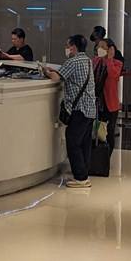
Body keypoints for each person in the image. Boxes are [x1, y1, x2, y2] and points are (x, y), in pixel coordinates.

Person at [42, 35, 97, 188]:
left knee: (73, 142)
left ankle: (80, 178)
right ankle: (84, 174)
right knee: (84, 143)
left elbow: (55, 78)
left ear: (73, 47)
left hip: (79, 108)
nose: (66, 48)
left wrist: (45, 71)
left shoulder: (72, 61)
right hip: (90, 107)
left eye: (67, 45)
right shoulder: (87, 60)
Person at [93, 38, 123, 155]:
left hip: (110, 103)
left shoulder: (117, 63)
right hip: (98, 102)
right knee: (98, 130)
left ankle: (107, 156)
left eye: (102, 47)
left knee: (109, 131)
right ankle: (98, 156)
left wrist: (109, 59)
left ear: (110, 49)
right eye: (98, 47)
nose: (98, 49)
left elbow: (112, 74)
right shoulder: (96, 61)